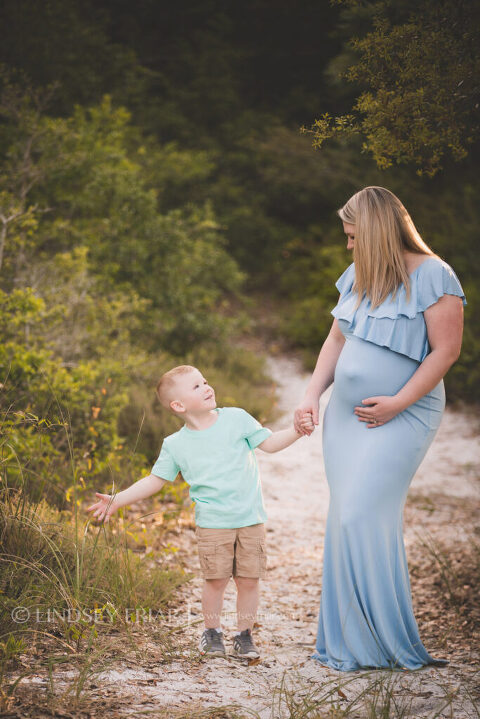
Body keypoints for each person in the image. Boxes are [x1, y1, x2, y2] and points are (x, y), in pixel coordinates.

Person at [294, 186, 467, 671]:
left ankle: (382, 641)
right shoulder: (358, 277)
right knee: (344, 520)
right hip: (346, 423)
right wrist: (311, 396)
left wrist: (397, 402)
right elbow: (334, 340)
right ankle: (350, 640)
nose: (348, 246)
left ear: (373, 230)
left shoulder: (436, 275)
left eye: (352, 236)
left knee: (360, 515)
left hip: (405, 414)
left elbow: (445, 352)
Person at [87, 364, 314, 660]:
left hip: (250, 519)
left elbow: (269, 444)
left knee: (249, 580)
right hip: (213, 524)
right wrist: (118, 500)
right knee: (216, 581)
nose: (207, 387)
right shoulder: (176, 444)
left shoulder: (236, 418)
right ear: (178, 405)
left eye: (205, 381)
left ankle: (244, 636)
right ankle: (212, 632)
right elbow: (155, 480)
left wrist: (297, 431)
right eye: (196, 386)